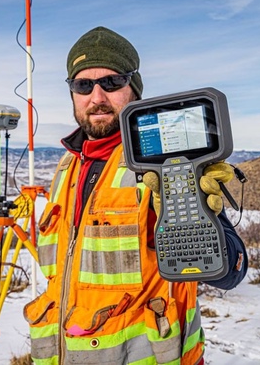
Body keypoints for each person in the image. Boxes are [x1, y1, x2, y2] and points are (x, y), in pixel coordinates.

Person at [23, 26, 248, 365]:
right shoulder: (66, 166)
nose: (97, 97)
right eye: (83, 85)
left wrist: (195, 227)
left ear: (134, 90)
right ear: (72, 93)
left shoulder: (162, 165)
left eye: (112, 83)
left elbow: (232, 270)